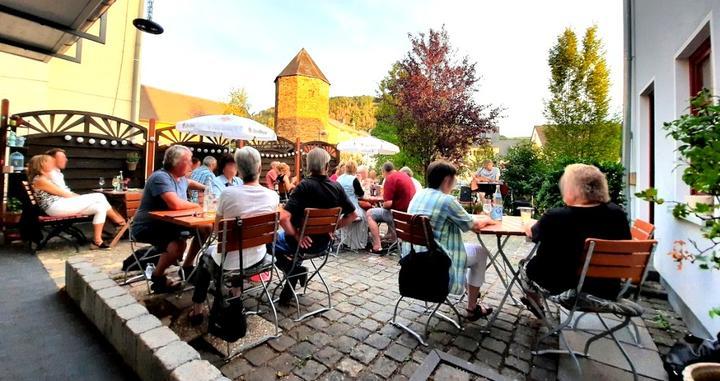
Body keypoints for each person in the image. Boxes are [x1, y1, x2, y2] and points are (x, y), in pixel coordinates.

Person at [519, 164, 631, 318]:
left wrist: (527, 223)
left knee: (524, 266)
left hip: (566, 290)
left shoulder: (556, 217)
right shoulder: (617, 214)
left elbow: (533, 234)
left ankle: (536, 305)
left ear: (573, 189)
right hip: (607, 290)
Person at [189, 147, 279, 325]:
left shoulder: (228, 194)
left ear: (238, 169)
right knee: (237, 249)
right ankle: (235, 295)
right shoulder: (273, 196)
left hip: (229, 261)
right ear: (260, 168)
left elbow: (217, 232)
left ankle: (197, 309)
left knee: (205, 257)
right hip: (258, 257)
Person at [405, 160, 497, 320]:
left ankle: (470, 293)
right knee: (481, 252)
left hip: (413, 259)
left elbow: (463, 218)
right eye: (454, 179)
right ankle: (472, 307)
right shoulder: (446, 201)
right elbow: (471, 224)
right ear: (447, 180)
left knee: (472, 250)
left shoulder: (418, 195)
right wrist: (488, 219)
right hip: (438, 261)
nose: (454, 183)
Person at [275, 148, 358, 304]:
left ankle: (293, 271)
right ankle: (291, 281)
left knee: (269, 240)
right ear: (326, 166)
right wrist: (330, 228)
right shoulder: (336, 187)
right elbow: (353, 215)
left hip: (300, 244)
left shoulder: (303, 187)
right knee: (290, 251)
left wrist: (297, 235)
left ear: (308, 165)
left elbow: (283, 218)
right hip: (323, 244)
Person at [131, 145, 209, 293]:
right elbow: (175, 204)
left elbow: (190, 183)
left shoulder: (180, 178)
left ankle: (187, 267)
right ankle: (157, 277)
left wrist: (208, 189)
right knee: (178, 246)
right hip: (149, 226)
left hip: (170, 224)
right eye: (189, 160)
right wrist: (199, 207)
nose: (191, 164)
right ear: (176, 162)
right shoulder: (160, 177)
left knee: (206, 228)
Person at [28, 154, 126, 249]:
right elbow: (65, 194)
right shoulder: (40, 180)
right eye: (49, 162)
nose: (52, 164)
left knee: (99, 207)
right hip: (55, 207)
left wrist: (83, 198)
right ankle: (120, 222)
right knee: (99, 196)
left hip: (60, 204)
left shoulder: (44, 178)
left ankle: (97, 241)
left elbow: (65, 194)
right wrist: (83, 198)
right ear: (41, 165)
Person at [366, 162, 416, 255]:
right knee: (384, 211)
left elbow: (387, 204)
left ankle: (377, 246)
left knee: (370, 213)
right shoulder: (405, 176)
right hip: (409, 214)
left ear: (384, 171)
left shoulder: (390, 179)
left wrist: (383, 204)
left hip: (398, 216)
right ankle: (392, 239)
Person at [336, 160, 368, 250]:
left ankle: (346, 241)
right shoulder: (354, 179)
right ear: (355, 169)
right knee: (365, 215)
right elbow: (361, 194)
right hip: (352, 208)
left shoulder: (339, 179)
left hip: (340, 210)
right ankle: (358, 243)